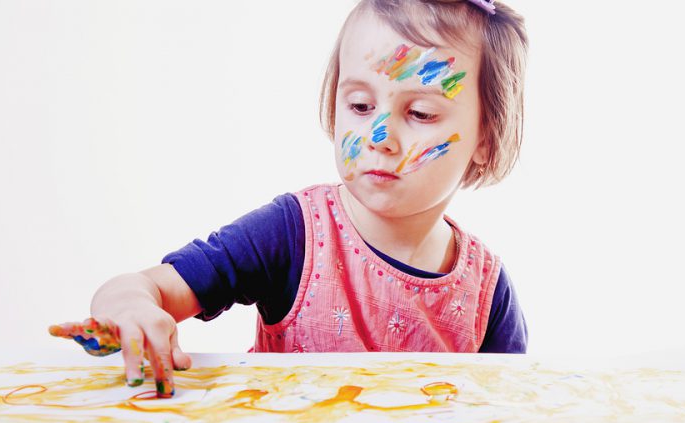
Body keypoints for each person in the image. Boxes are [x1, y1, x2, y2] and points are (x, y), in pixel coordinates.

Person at [49, 0, 529, 398]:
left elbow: (509, 412)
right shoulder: (295, 234)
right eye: (360, 106)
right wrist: (131, 309)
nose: (378, 135)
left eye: (421, 113)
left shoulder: (487, 294)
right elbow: (145, 287)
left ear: (485, 139)